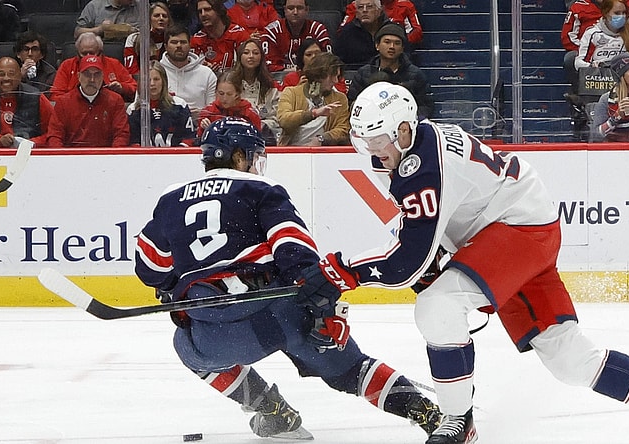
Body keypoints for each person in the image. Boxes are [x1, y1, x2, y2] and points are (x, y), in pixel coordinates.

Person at [294, 81, 629, 444]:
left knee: (437, 307)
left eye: (379, 140)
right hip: (516, 229)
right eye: (365, 142)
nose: (373, 152)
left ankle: (457, 422)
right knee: (569, 360)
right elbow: (426, 234)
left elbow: (407, 261)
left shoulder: (421, 167)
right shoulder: (416, 149)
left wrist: (341, 271)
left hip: (517, 231)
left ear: (404, 129)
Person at [133, 117, 442, 441]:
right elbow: (296, 254)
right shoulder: (260, 189)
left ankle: (272, 412)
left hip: (214, 333)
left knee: (186, 346)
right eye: (253, 156)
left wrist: (174, 292)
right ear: (238, 156)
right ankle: (430, 416)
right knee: (351, 370)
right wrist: (324, 312)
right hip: (280, 316)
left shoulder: (170, 199)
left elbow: (148, 267)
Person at [347, 22, 433, 118]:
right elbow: (352, 103)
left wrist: (408, 120)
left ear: (402, 48)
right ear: (377, 45)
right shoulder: (363, 73)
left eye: (397, 43)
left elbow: (426, 106)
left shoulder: (416, 75)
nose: (392, 46)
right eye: (387, 42)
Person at [46, 55, 130, 147]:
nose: (92, 79)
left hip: (105, 157)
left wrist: (114, 156)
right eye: (87, 74)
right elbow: (55, 136)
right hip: (72, 157)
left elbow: (121, 135)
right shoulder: (63, 102)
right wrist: (62, 158)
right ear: (78, 76)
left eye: (97, 74)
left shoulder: (115, 100)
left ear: (102, 76)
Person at [276, 52, 350, 145]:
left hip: (324, 151)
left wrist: (322, 139)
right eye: (332, 76)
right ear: (319, 75)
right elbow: (284, 121)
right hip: (292, 150)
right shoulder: (291, 93)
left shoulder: (340, 98)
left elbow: (343, 129)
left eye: (337, 76)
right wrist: (313, 113)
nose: (335, 81)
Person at [50, 32, 138, 103]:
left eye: (92, 53)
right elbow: (55, 96)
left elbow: (135, 89)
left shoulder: (114, 64)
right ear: (77, 53)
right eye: (84, 54)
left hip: (109, 111)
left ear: (100, 52)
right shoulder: (67, 66)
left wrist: (122, 88)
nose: (88, 57)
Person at [159, 24, 218, 126]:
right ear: (165, 47)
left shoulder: (207, 74)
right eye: (174, 42)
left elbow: (214, 111)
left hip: (197, 129)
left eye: (183, 42)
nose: (179, 46)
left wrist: (201, 115)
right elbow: (142, 108)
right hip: (162, 130)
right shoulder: (155, 73)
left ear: (190, 45)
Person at [126, 61, 195, 147]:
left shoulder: (180, 105)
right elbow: (133, 142)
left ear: (164, 81)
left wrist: (177, 155)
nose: (152, 84)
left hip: (176, 158)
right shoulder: (133, 110)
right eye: (148, 80)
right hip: (145, 159)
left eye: (156, 79)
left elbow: (189, 138)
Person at [230, 38, 282, 144]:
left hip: (264, 138)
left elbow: (277, 119)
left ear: (261, 57)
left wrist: (260, 125)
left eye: (255, 53)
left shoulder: (271, 86)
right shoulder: (230, 84)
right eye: (246, 52)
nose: (251, 56)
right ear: (239, 56)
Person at [0, 57, 53, 148]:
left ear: (20, 76)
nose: (6, 78)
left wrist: (31, 143)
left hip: (29, 154)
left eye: (11, 74)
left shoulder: (36, 97)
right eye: (1, 74)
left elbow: (54, 132)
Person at [575, 0, 629, 70]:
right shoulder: (591, 33)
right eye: (617, 13)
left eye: (624, 13)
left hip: (627, 79)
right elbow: (578, 63)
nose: (622, 16)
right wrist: (593, 67)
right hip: (600, 77)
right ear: (606, 13)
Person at [261, 0, 334, 72]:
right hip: (278, 79)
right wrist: (290, 71)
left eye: (299, 8)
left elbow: (329, 62)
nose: (295, 12)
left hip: (312, 77)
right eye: (291, 8)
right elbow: (266, 64)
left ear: (307, 10)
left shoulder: (318, 30)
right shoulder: (272, 31)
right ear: (285, 10)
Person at [191, 0, 251, 74]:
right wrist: (204, 71)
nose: (203, 14)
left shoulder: (239, 35)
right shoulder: (197, 40)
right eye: (200, 11)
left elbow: (249, 68)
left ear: (219, 11)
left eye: (208, 10)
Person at [197, 71, 262, 137]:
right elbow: (199, 141)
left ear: (237, 94)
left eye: (229, 94)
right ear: (215, 92)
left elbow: (258, 141)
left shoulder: (250, 114)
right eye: (221, 93)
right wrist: (203, 129)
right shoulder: (208, 112)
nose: (224, 98)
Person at [336, 0, 393, 69]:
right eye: (360, 7)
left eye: (369, 7)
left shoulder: (392, 30)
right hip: (356, 74)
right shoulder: (347, 32)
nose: (364, 10)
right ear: (356, 13)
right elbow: (340, 62)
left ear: (379, 11)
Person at [340, 0, 423, 47]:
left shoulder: (404, 6)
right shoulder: (357, 5)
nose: (364, 10)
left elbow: (416, 33)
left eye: (370, 7)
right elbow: (343, 33)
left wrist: (395, 43)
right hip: (360, 55)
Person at [281, 37, 348, 93]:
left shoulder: (335, 74)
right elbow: (284, 102)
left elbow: (342, 97)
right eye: (309, 55)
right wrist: (298, 90)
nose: (314, 57)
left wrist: (328, 85)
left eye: (317, 53)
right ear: (301, 58)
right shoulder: (290, 78)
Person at [123, 2, 172, 77]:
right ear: (149, 19)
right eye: (156, 15)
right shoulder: (134, 39)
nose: (161, 18)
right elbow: (131, 71)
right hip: (141, 82)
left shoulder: (173, 40)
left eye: (164, 16)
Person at [14, 31, 57, 95]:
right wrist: (21, 77)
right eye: (26, 49)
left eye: (34, 50)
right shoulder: (10, 70)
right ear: (18, 54)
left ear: (42, 55)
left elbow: (46, 96)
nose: (30, 54)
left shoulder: (49, 73)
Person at [75, 0, 140, 40]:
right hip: (102, 51)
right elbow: (77, 33)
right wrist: (99, 29)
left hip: (133, 51)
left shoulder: (141, 7)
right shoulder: (94, 6)